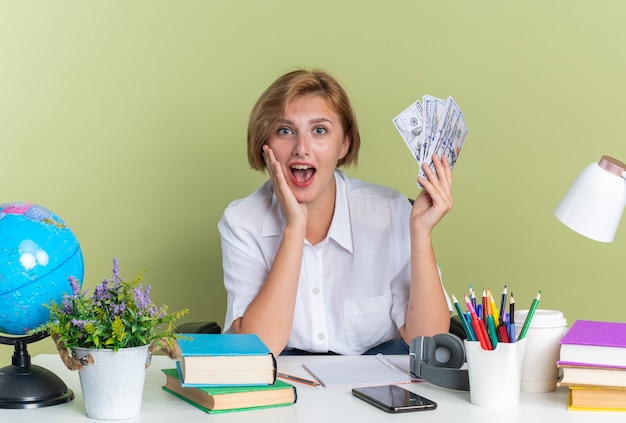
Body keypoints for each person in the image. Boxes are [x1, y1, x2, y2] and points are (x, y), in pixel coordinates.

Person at [218, 69, 454, 356]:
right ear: (264, 146)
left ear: (344, 144)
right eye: (285, 131)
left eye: (319, 130)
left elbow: (428, 342)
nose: (301, 149)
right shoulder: (242, 222)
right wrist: (295, 227)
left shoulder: (390, 211)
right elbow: (256, 351)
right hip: (286, 386)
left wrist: (420, 233)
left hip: (377, 383)